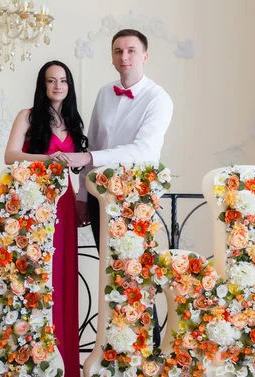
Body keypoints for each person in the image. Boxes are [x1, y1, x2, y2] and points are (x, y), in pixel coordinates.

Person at [66, 29, 174, 345]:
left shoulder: (158, 98)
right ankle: (116, 350)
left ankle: (147, 351)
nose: (123, 57)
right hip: (101, 198)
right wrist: (83, 195)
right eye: (117, 51)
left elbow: (143, 151)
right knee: (110, 277)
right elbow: (96, 142)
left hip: (134, 201)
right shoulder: (104, 93)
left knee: (135, 277)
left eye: (130, 51)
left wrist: (88, 156)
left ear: (145, 55)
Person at [4, 60, 87, 377]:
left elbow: (79, 167)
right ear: (42, 85)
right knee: (38, 277)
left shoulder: (73, 121)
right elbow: (10, 155)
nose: (57, 86)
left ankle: (62, 364)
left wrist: (80, 199)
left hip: (64, 203)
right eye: (51, 81)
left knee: (63, 274)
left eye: (63, 81)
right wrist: (46, 159)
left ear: (69, 86)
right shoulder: (27, 116)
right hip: (34, 205)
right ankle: (31, 358)